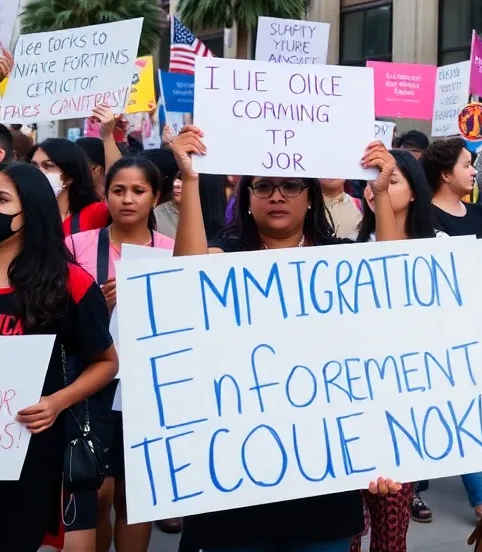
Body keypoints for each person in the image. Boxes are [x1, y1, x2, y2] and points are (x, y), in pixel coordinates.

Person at [168, 124, 404, 552]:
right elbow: (183, 284)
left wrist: (383, 194)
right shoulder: (224, 258)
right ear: (247, 197)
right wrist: (191, 177)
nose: (277, 195)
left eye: (291, 185)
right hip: (231, 480)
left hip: (322, 480)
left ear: (311, 195)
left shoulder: (340, 262)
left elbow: (392, 281)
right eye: (264, 186)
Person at [0, 162, 119, 552]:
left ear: (30, 211)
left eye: (1, 200)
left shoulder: (69, 283)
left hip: (24, 453)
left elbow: (106, 362)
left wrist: (56, 403)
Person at [356, 149, 482, 530]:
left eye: (389, 181)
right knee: (351, 528)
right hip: (360, 407)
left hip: (411, 408)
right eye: (370, 182)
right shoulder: (349, 248)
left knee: (390, 532)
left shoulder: (439, 249)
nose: (375, 189)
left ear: (415, 191)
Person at [65, 155, 172, 552]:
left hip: (148, 385)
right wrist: (100, 308)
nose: (128, 200)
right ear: (105, 195)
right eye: (118, 190)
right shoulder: (76, 246)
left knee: (136, 498)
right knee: (99, 492)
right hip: (93, 384)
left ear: (155, 197)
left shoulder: (172, 250)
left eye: (139, 191)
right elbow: (60, 317)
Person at [30, 138, 110, 235]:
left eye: (48, 166)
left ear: (70, 175)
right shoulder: (28, 215)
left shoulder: (96, 213)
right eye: (34, 166)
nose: (38, 172)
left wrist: (108, 136)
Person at [423, 136, 482, 239]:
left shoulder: (480, 213)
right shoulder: (425, 217)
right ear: (446, 175)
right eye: (466, 166)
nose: (474, 172)